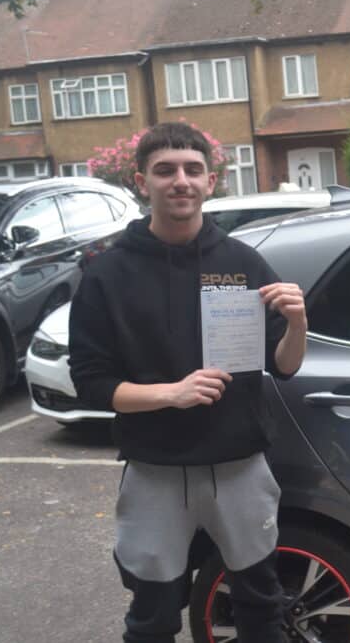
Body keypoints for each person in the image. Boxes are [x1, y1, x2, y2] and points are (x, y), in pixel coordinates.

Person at [68, 122, 307, 643]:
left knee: (261, 603)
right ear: (141, 181)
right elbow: (90, 383)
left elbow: (284, 365)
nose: (181, 180)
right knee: (152, 614)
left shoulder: (243, 263)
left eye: (192, 170)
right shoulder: (106, 273)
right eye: (165, 170)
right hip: (154, 467)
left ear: (211, 182)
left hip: (239, 463)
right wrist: (169, 395)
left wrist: (297, 323)